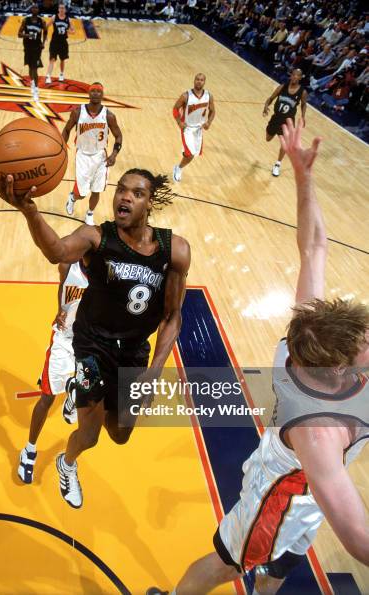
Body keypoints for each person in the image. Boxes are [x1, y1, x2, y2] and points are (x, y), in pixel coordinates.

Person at [149, 120, 369, 595]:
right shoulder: (318, 430)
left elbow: (314, 247)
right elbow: (358, 540)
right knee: (230, 563)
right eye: (364, 346)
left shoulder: (309, 333)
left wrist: (304, 178)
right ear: (338, 369)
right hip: (282, 493)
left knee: (283, 562)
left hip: (307, 494)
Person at [0, 166, 190, 509]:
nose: (124, 196)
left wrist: (155, 369)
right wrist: (30, 211)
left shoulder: (175, 251)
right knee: (90, 435)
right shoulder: (96, 237)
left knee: (120, 434)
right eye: (121, 190)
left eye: (136, 193)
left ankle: (84, 405)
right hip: (92, 346)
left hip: (133, 353)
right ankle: (67, 464)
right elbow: (56, 251)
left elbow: (172, 316)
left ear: (149, 203)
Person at [17, 261, 88, 484]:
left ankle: (72, 399)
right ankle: (29, 451)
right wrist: (60, 308)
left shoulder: (106, 271)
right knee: (47, 398)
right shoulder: (69, 265)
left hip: (88, 341)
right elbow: (62, 285)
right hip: (63, 340)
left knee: (90, 390)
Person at [62, 82, 123, 225]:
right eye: (93, 91)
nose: (95, 93)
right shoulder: (78, 112)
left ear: (102, 95)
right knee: (81, 194)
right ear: (88, 93)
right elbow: (66, 129)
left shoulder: (109, 116)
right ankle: (72, 198)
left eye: (98, 91)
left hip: (100, 157)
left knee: (96, 190)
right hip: (83, 155)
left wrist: (114, 155)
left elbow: (118, 135)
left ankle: (90, 213)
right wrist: (62, 146)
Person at [263, 68, 307, 177]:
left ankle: (277, 165)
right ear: (291, 76)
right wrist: (266, 105)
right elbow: (271, 98)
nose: (295, 77)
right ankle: (274, 133)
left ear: (300, 78)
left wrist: (303, 116)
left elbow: (304, 104)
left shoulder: (303, 92)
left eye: (298, 75)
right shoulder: (282, 87)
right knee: (268, 138)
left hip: (288, 122)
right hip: (276, 118)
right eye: (294, 75)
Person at [172, 73, 216, 183]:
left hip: (198, 129)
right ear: (194, 80)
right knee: (190, 154)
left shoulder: (208, 96)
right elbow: (175, 109)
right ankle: (178, 168)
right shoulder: (186, 95)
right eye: (197, 79)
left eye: (201, 80)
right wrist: (179, 122)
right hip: (187, 128)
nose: (199, 81)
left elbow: (212, 111)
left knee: (192, 154)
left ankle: (184, 155)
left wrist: (209, 123)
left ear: (204, 82)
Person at [18, 4, 47, 102]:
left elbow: (46, 32)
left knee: (34, 68)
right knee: (30, 67)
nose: (35, 9)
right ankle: (33, 83)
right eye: (33, 8)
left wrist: (43, 43)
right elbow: (19, 34)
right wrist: (27, 35)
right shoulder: (25, 20)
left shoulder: (42, 21)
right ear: (31, 9)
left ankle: (36, 89)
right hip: (27, 47)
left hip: (37, 48)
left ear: (38, 10)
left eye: (36, 8)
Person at [45, 3, 74, 84]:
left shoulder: (68, 19)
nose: (61, 9)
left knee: (62, 59)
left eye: (63, 8)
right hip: (54, 41)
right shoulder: (54, 17)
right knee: (52, 59)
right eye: (60, 8)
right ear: (58, 9)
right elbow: (46, 26)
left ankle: (61, 74)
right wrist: (45, 35)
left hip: (63, 42)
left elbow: (73, 31)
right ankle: (48, 76)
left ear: (65, 10)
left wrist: (68, 31)